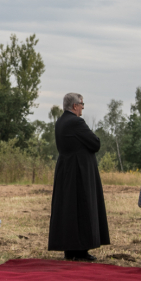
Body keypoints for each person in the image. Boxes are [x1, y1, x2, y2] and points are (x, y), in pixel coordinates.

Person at [48, 92, 109, 261]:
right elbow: (95, 143)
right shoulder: (76, 122)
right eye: (82, 104)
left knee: (68, 210)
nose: (82, 107)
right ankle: (81, 249)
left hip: (65, 171)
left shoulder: (60, 121)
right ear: (75, 106)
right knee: (82, 208)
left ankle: (70, 249)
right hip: (78, 172)